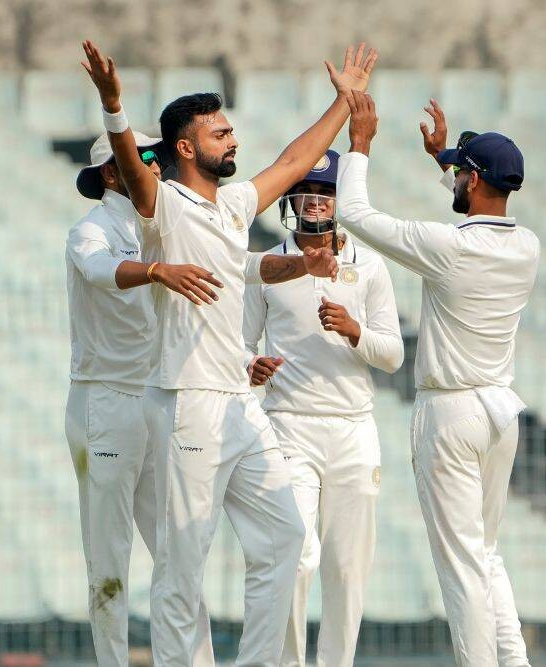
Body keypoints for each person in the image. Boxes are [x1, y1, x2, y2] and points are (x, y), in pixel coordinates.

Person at [80, 39, 376, 666]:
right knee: (182, 564)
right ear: (186, 149)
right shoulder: (164, 205)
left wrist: (344, 102)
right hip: (187, 404)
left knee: (286, 539)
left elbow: (295, 160)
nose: (232, 140)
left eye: (231, 130)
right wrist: (113, 106)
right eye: (219, 133)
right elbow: (132, 165)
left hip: (239, 404)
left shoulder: (235, 205)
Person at [336, 91, 538, 666]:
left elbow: (354, 214)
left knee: (461, 565)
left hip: (450, 415)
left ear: (472, 180)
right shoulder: (527, 246)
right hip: (500, 412)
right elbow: (475, 207)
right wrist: (445, 160)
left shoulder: (448, 247)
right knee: (485, 554)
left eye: (461, 172)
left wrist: (360, 145)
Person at [241, 152, 403, 666]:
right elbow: (240, 345)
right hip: (289, 426)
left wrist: (355, 331)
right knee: (294, 557)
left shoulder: (369, 265)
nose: (314, 201)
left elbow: (393, 355)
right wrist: (251, 366)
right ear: (291, 199)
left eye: (326, 192)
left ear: (340, 199)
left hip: (354, 428)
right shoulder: (269, 265)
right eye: (306, 191)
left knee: (348, 569)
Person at [66, 131, 223, 665]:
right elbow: (98, 270)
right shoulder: (90, 229)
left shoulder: (163, 225)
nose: (155, 166)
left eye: (156, 157)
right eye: (144, 157)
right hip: (104, 404)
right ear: (112, 172)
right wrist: (155, 270)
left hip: (156, 400)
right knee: (108, 564)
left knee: (179, 555)